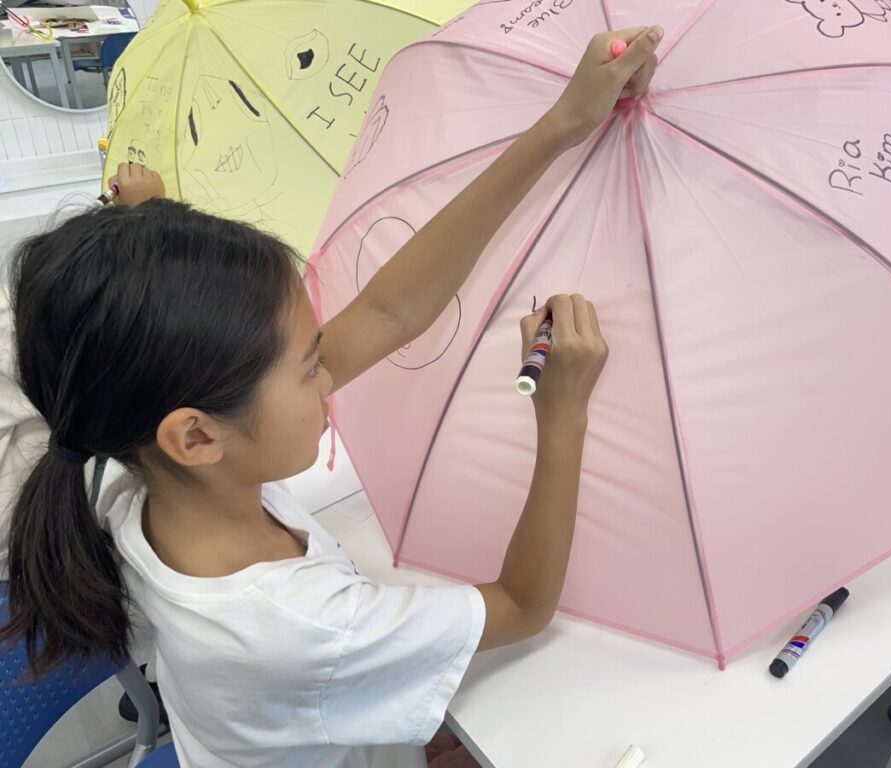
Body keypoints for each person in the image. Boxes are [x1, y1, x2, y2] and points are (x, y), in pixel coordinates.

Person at [0, 26, 662, 768]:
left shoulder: (123, 461)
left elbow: (386, 311)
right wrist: (562, 413)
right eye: (310, 365)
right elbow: (523, 604)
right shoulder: (301, 627)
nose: (330, 373)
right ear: (195, 436)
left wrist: (559, 127)